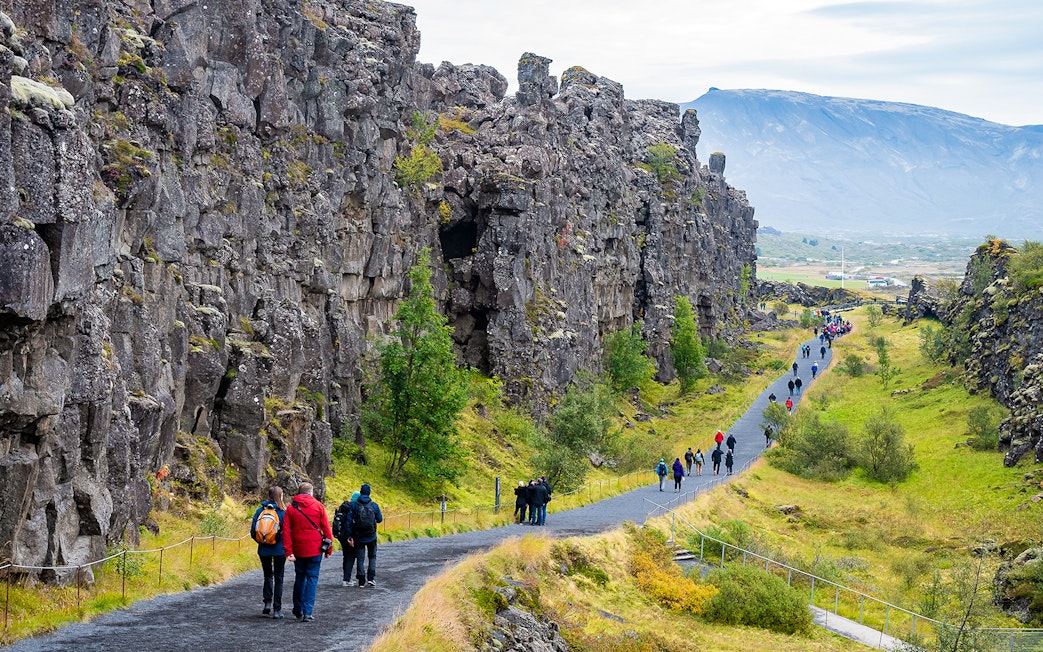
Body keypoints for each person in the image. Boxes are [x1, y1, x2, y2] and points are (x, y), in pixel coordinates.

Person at [284, 482, 332, 622]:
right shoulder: (318, 506)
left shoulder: (291, 508)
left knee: (300, 578)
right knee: (312, 578)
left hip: (298, 549)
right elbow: (327, 530)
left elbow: (286, 532)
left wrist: (288, 551)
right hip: (315, 548)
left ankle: (297, 609)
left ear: (299, 492)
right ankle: (307, 612)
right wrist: (328, 549)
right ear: (311, 492)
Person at [250, 486, 286, 619]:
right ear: (280, 496)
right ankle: (277, 609)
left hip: (263, 550)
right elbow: (288, 533)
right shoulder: (283, 512)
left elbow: (253, 532)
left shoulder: (260, 511)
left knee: (268, 576)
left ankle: (267, 603)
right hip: (279, 550)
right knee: (279, 578)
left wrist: (262, 541)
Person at [346, 483, 383, 587]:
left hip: (358, 536)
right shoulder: (374, 505)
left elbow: (349, 522)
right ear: (369, 493)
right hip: (371, 536)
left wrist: (350, 536)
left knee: (360, 558)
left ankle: (361, 581)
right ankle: (371, 578)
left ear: (361, 492)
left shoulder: (354, 505)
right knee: (372, 556)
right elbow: (380, 519)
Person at [333, 491, 360, 587]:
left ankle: (346, 577)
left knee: (346, 556)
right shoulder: (354, 509)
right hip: (349, 536)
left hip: (341, 536)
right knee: (351, 557)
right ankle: (346, 579)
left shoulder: (344, 507)